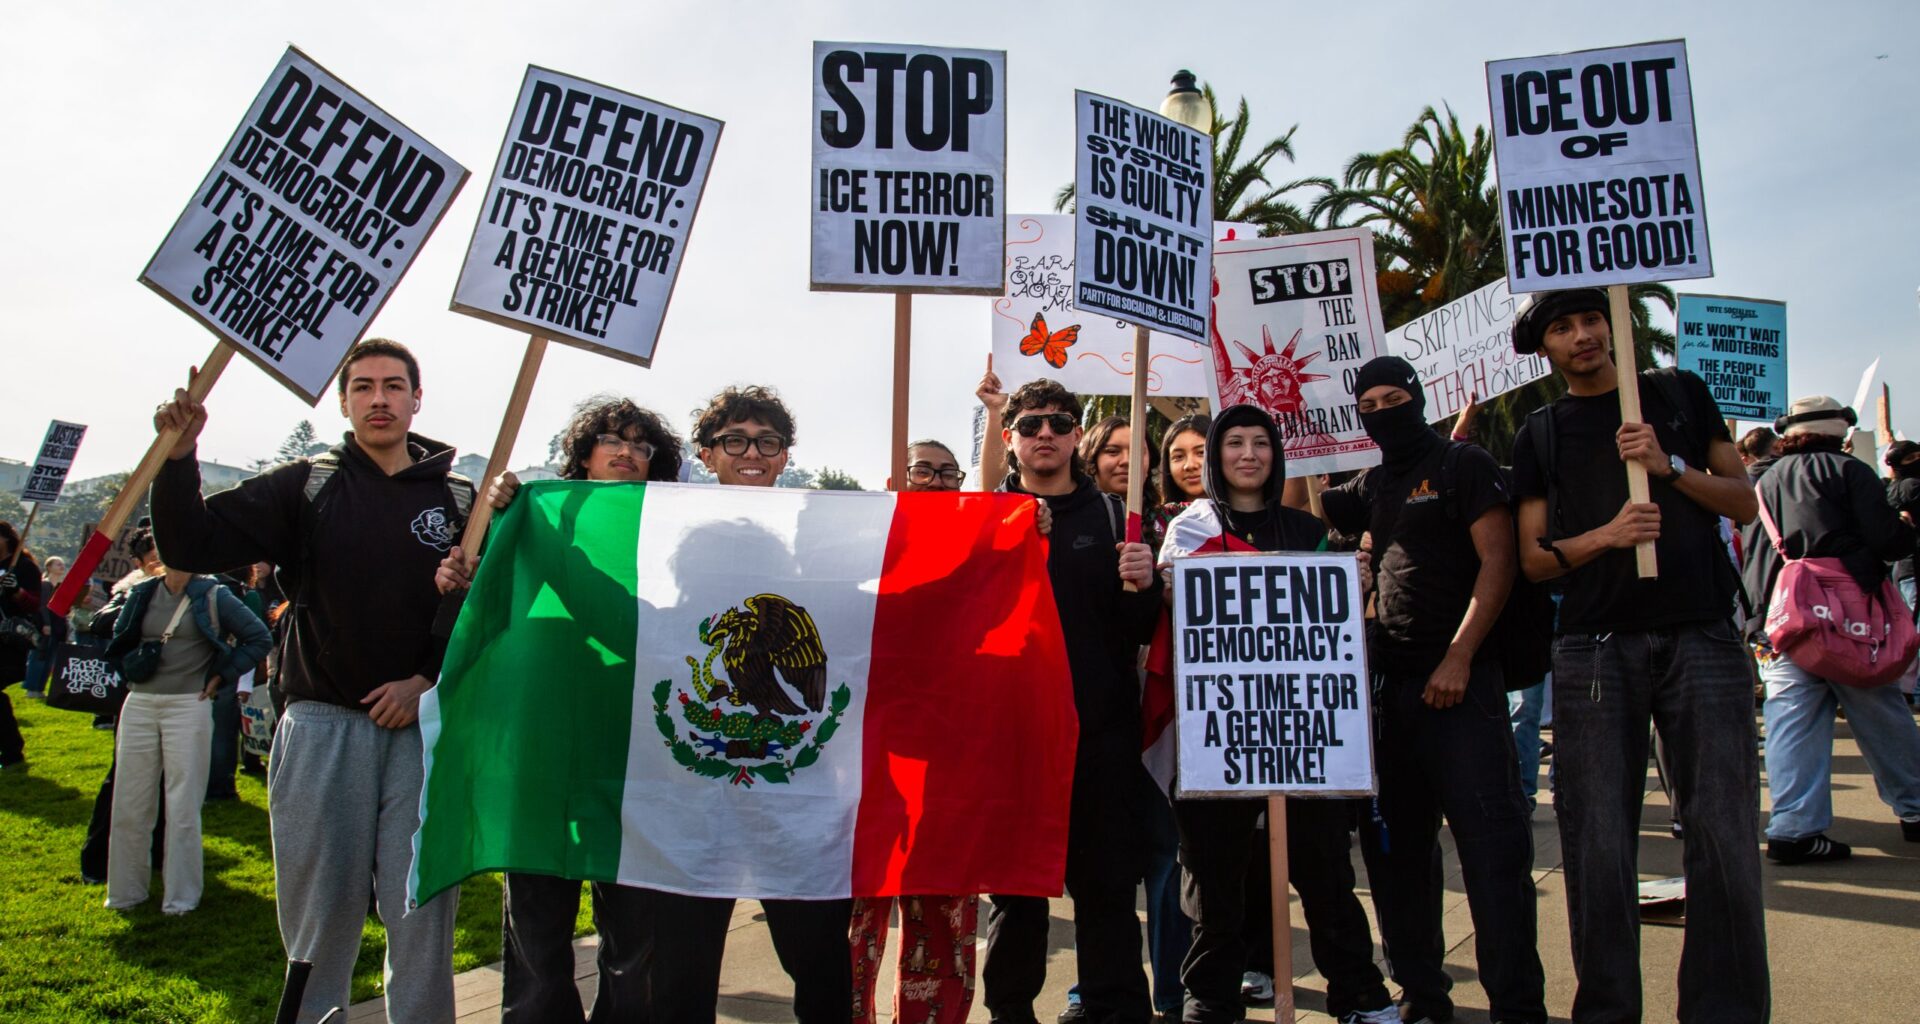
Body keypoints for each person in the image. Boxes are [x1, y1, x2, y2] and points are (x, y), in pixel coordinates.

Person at [149, 338, 470, 1023]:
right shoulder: (307, 484)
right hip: (324, 727)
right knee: (319, 922)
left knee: (422, 915)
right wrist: (178, 459)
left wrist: (427, 681)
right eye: (362, 387)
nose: (378, 399)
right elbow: (188, 546)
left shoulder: (462, 498)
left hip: (427, 731)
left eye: (392, 386)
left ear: (418, 399)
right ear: (344, 401)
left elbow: (490, 620)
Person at [1507, 288, 1767, 1023]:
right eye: (1563, 327)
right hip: (1594, 650)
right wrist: (1607, 537)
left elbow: (1745, 503)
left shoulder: (1679, 395)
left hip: (1704, 638)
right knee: (1597, 844)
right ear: (1546, 349)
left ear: (1615, 324)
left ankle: (1727, 1010)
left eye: (1593, 319)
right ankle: (1609, 1010)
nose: (1584, 335)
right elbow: (1532, 559)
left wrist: (1670, 465)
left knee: (1722, 836)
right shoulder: (1541, 435)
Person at [434, 396, 684, 1023]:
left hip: (631, 748)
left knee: (635, 930)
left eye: (641, 445)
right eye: (611, 438)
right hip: (540, 746)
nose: (626, 451)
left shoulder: (669, 529)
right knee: (537, 927)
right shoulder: (538, 514)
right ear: (583, 452)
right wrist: (494, 529)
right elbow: (481, 612)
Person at [1321, 356, 1546, 1024]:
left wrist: (1460, 657)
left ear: (1418, 399)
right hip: (1389, 700)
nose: (1383, 411)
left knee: (1493, 855)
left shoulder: (1462, 466)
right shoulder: (1364, 484)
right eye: (1370, 403)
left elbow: (1499, 562)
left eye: (1395, 398)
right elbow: (1309, 518)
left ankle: (1517, 1006)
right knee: (1396, 863)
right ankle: (1423, 994)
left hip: (1461, 692)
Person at [1157, 405, 1399, 1024]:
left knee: (1325, 875)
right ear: (1215, 455)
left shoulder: (1306, 531)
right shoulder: (1187, 532)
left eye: (1259, 443)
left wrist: (1354, 584)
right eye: (1233, 442)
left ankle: (1360, 997)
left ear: (1276, 455)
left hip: (1300, 733)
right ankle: (1211, 1002)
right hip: (1219, 734)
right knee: (1214, 885)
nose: (1246, 454)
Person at [979, 378, 1161, 1024]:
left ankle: (1115, 1010)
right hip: (1015, 738)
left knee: (1107, 889)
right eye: (1031, 426)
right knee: (1017, 892)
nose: (1046, 434)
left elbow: (1139, 630)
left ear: (1078, 435)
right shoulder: (988, 519)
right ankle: (1009, 1010)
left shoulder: (1116, 517)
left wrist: (1145, 587)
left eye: (1059, 422)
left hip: (1099, 738)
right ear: (1010, 439)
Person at [1743, 397, 1920, 861]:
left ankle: (1794, 829)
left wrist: (1758, 621)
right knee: (1881, 710)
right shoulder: (1849, 471)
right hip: (1847, 618)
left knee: (1789, 721)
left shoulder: (1764, 480)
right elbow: (1886, 538)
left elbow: (1758, 556)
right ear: (1839, 432)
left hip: (1783, 619)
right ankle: (1916, 808)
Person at [100, 558, 270, 913]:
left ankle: (181, 898)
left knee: (182, 805)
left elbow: (258, 637)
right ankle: (124, 893)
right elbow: (118, 636)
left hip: (187, 703)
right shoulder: (143, 591)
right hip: (140, 701)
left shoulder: (214, 594)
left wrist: (221, 675)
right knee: (129, 802)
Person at [0, 522, 44, 769]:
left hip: (9, 643)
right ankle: (11, 749)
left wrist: (16, 591)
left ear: (6, 539)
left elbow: (33, 604)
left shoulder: (24, 567)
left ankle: (12, 751)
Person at [23, 555, 67, 699]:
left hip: (58, 626)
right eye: (57, 564)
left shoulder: (60, 587)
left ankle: (40, 688)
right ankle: (31, 688)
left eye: (62, 564)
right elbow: (43, 606)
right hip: (45, 625)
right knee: (39, 656)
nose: (61, 566)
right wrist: (46, 624)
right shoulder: (45, 584)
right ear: (49, 567)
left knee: (49, 658)